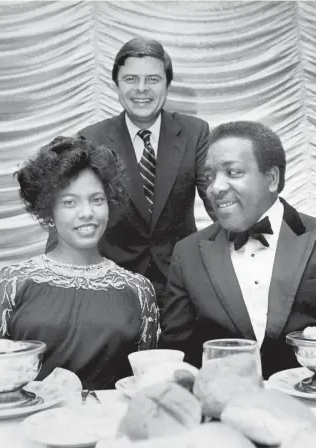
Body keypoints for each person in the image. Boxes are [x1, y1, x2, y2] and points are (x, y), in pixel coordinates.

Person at [159, 121, 316, 379]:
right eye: (209, 177)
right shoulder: (187, 254)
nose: (215, 188)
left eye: (232, 172)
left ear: (272, 179)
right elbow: (176, 356)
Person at [45, 37, 214, 312]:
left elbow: (217, 201)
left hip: (181, 284)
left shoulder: (195, 132)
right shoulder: (92, 138)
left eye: (153, 79)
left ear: (167, 84)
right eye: (131, 79)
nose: (142, 89)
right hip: (113, 283)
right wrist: (55, 277)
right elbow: (69, 209)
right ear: (117, 85)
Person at [0, 137, 159, 390]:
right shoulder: (11, 283)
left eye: (97, 199)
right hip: (28, 425)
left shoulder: (138, 290)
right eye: (69, 202)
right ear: (48, 211)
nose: (86, 213)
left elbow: (142, 386)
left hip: (109, 425)